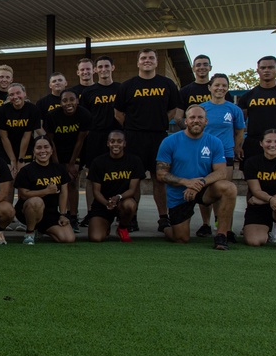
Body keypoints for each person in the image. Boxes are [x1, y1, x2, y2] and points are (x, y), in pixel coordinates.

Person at [114, 48, 181, 233]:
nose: (147, 60)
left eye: (151, 58)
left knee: (159, 178)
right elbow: (118, 113)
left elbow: (172, 111)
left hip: (158, 138)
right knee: (134, 180)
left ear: (156, 62)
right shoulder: (127, 86)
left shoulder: (167, 84)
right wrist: (134, 126)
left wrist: (157, 123)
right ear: (138, 62)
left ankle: (163, 217)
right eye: (143, 58)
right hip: (134, 138)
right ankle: (132, 217)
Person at [155, 104, 238, 249]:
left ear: (206, 121)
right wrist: (186, 182)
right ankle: (165, 227)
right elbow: (161, 174)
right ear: (185, 121)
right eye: (192, 117)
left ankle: (221, 235)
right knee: (180, 238)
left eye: (200, 117)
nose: (196, 120)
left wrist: (198, 183)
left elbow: (221, 172)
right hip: (179, 193)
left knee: (229, 188)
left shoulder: (215, 142)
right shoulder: (169, 142)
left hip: (203, 189)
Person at [197, 73, 245, 237]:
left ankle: (224, 226)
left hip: (225, 154)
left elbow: (239, 131)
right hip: (204, 154)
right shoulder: (202, 109)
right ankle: (205, 224)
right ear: (210, 87)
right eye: (217, 85)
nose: (220, 88)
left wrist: (237, 147)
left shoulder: (233, 109)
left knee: (224, 190)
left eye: (224, 85)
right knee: (203, 189)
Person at [78, 55, 122, 227]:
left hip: (117, 137)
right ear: (95, 70)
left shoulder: (121, 88)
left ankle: (121, 214)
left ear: (113, 68)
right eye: (100, 67)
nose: (103, 69)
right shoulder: (88, 92)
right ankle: (91, 212)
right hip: (95, 138)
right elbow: (84, 118)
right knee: (92, 177)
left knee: (118, 177)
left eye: (106, 66)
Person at [41, 90, 92, 230]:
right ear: (60, 102)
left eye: (71, 100)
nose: (68, 103)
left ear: (77, 101)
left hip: (75, 151)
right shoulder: (52, 116)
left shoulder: (84, 114)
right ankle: (56, 214)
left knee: (72, 181)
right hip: (57, 151)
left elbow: (80, 141)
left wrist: (71, 164)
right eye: (65, 100)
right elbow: (51, 141)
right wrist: (57, 164)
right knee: (57, 184)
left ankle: (73, 216)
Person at [238, 55, 276, 167]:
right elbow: (239, 123)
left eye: (271, 67)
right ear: (258, 71)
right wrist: (237, 145)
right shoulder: (248, 96)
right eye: (263, 68)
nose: (266, 70)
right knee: (252, 180)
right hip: (254, 144)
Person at [14, 137, 75, 245]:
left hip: (50, 213)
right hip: (28, 210)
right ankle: (29, 232)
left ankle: (41, 229)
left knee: (68, 238)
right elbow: (23, 195)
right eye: (38, 148)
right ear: (33, 151)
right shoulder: (26, 170)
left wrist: (63, 214)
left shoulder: (59, 169)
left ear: (51, 150)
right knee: (36, 201)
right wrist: (46, 191)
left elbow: (63, 193)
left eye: (46, 147)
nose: (43, 151)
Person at [87, 130, 143, 243]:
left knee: (130, 205)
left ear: (124, 143)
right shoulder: (98, 162)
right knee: (96, 238)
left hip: (122, 201)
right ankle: (105, 226)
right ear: (108, 143)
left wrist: (118, 197)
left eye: (119, 141)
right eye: (112, 141)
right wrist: (106, 203)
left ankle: (122, 227)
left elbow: (133, 190)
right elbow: (96, 191)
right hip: (103, 204)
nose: (116, 144)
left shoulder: (134, 161)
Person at [0, 82, 39, 175]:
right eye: (11, 94)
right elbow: (4, 137)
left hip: (25, 147)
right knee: (10, 176)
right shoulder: (2, 110)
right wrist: (12, 159)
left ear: (24, 93)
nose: (15, 97)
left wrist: (20, 159)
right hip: (6, 148)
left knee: (23, 175)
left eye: (18, 93)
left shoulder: (32, 109)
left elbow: (26, 136)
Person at [177, 54, 213, 125]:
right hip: (193, 132)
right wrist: (191, 130)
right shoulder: (184, 91)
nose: (202, 67)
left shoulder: (218, 90)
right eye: (198, 65)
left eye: (205, 64)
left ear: (210, 67)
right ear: (193, 68)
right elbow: (178, 118)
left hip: (215, 132)